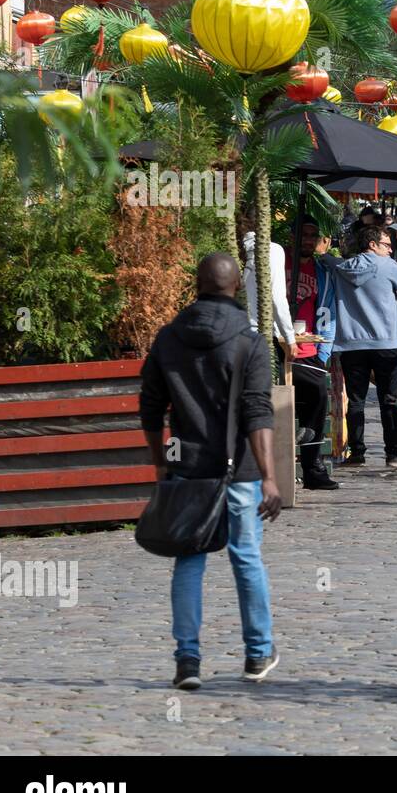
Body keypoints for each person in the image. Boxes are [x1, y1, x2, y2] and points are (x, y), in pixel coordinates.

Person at [139, 253, 283, 689]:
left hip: (187, 468)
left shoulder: (168, 339)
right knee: (246, 558)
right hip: (237, 470)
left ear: (196, 284)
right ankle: (257, 654)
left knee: (188, 560)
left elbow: (149, 407)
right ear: (237, 286)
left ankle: (187, 661)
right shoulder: (250, 343)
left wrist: (160, 459)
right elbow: (257, 411)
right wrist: (270, 477)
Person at [317, 225, 397, 465]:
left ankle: (357, 452)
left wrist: (324, 253)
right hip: (385, 342)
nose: (391, 250)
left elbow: (327, 259)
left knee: (356, 400)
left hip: (350, 344)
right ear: (372, 245)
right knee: (388, 399)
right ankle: (392, 452)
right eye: (387, 245)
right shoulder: (388, 266)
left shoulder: (341, 268)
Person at [286, 218, 339, 490]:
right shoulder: (276, 263)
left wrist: (323, 353)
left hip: (309, 347)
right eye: (302, 234)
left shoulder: (322, 272)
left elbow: (329, 314)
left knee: (318, 392)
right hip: (278, 348)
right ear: (291, 236)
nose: (308, 240)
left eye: (312, 235)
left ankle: (312, 467)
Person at [241, 228, 297, 362]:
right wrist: (290, 338)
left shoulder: (236, 254)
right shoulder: (274, 250)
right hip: (262, 337)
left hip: (239, 334)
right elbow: (277, 297)